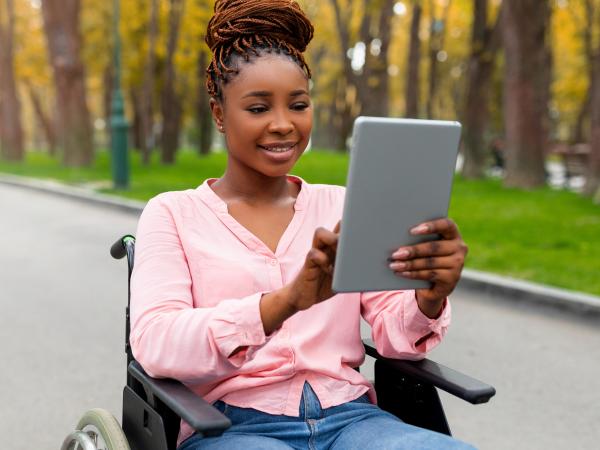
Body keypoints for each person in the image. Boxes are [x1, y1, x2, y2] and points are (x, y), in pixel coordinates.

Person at [130, 1, 472, 449]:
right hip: (232, 426)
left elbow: (396, 338)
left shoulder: (342, 205)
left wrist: (429, 297)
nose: (283, 125)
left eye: (298, 105)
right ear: (219, 113)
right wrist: (284, 303)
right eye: (257, 109)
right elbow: (156, 344)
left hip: (353, 420)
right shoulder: (173, 213)